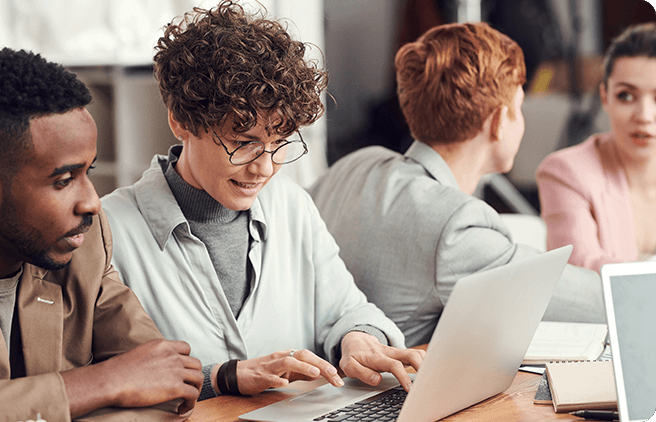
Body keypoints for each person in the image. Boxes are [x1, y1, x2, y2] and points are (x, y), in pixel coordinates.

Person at [100, 0, 425, 401]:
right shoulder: (109, 230)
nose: (265, 168)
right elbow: (104, 380)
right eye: (244, 143)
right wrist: (222, 376)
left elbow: (347, 310)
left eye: (281, 142)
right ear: (181, 121)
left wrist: (358, 340)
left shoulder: (291, 204)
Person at [0, 48, 203, 422]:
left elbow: (165, 385)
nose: (93, 202)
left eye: (88, 172)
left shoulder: (83, 240)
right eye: (63, 181)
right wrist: (104, 382)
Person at [308, 22, 606, 348]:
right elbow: (599, 303)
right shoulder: (454, 227)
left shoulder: (357, 163)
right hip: (388, 392)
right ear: (497, 122)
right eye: (518, 108)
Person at [537, 22, 656, 272]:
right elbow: (582, 270)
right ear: (605, 97)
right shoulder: (566, 173)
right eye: (626, 95)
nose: (644, 115)